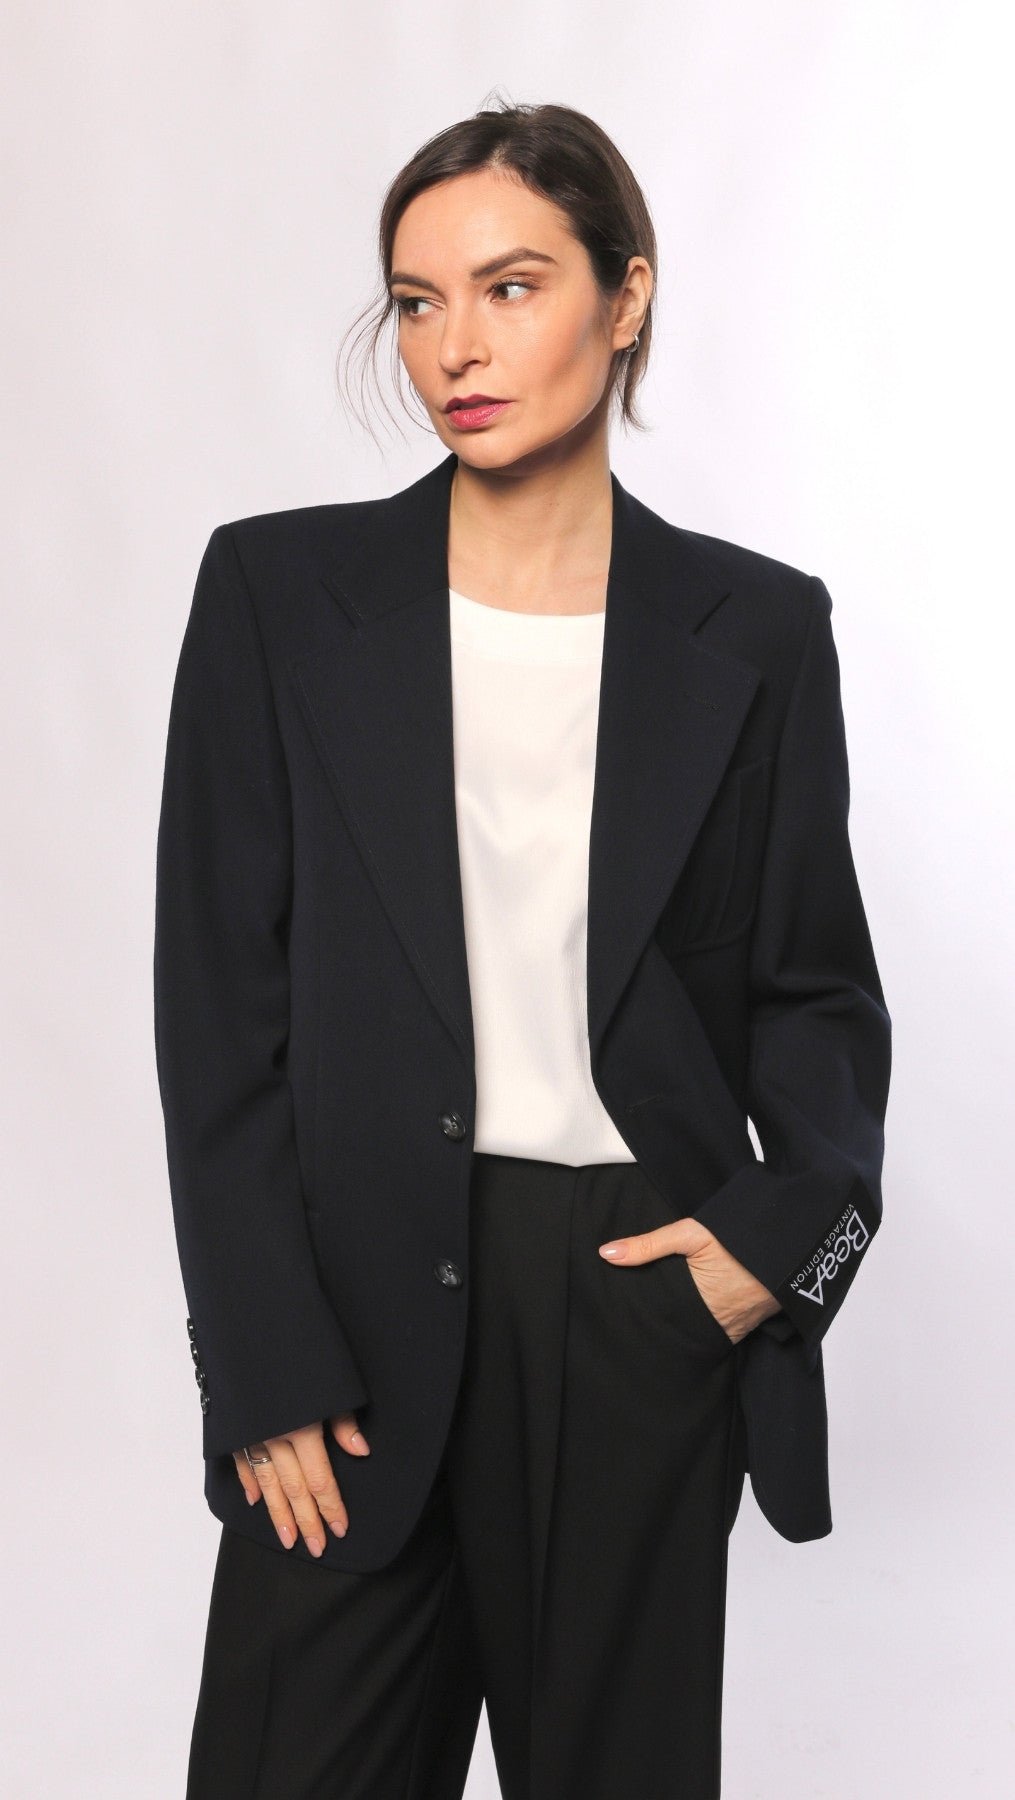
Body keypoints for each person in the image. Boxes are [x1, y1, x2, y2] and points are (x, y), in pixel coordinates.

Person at [154, 99, 892, 1800]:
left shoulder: (759, 630)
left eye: (510, 287)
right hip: (348, 1321)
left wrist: (778, 1249)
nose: (455, 349)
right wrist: (260, 1358)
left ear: (626, 298)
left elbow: (814, 993)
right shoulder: (279, 596)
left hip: (632, 1299)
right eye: (418, 303)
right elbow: (218, 1011)